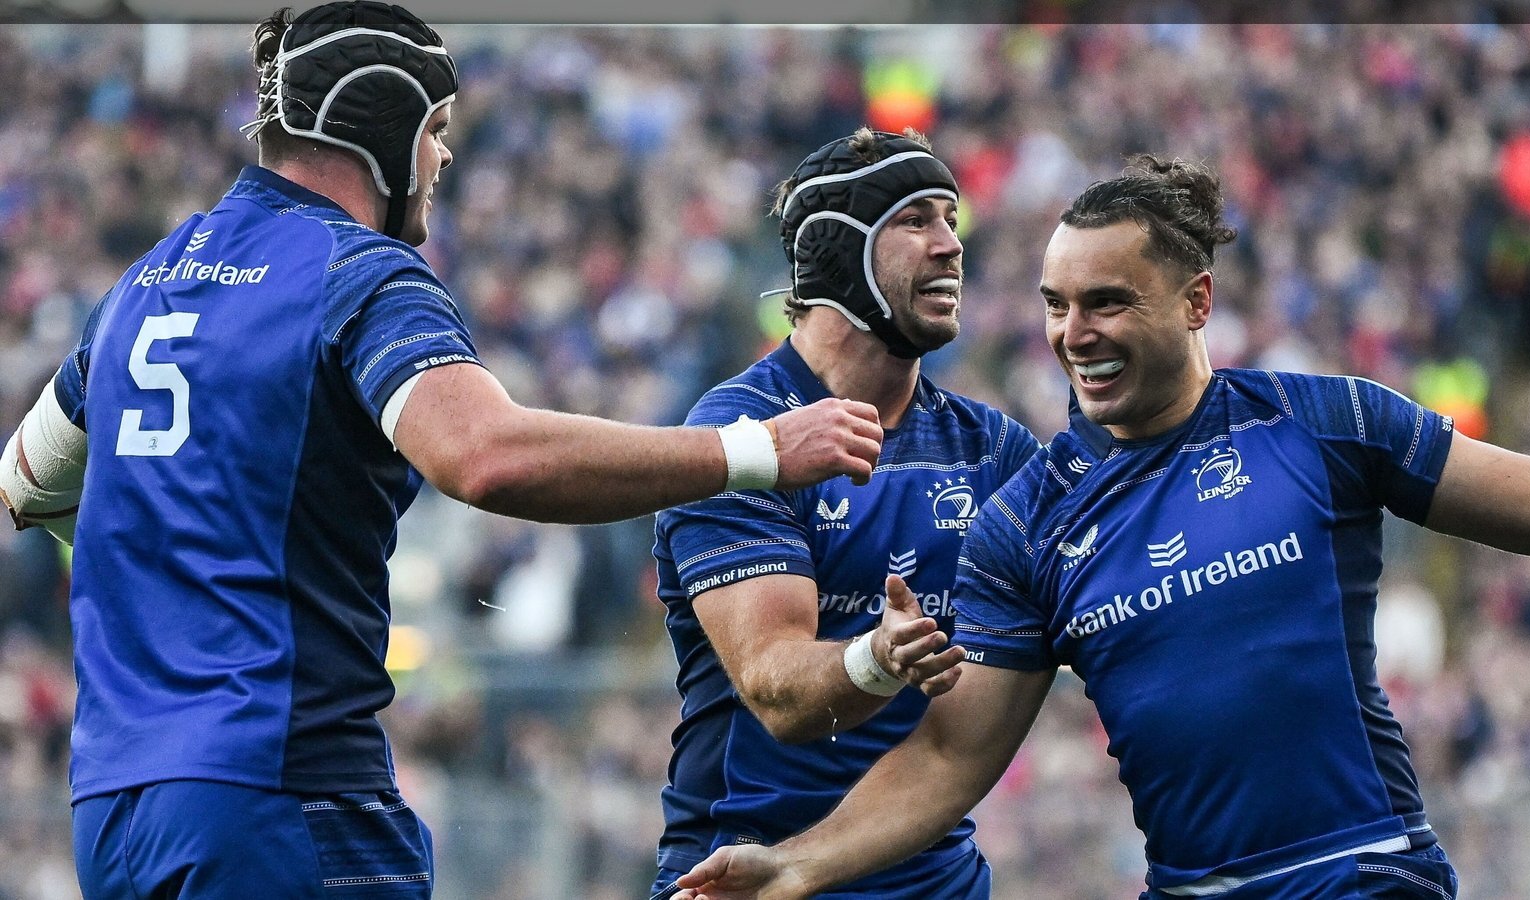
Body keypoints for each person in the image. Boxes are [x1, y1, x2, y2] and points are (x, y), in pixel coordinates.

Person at [0, 4, 883, 898]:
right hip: (279, 790)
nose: (444, 156)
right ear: (379, 131)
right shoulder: (355, 270)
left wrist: (184, 545)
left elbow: (27, 481)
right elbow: (484, 457)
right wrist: (756, 449)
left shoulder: (143, 281)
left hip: (113, 810)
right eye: (434, 129)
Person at [669, 153, 1530, 900]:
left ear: (1197, 301)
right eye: (1056, 307)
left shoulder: (1325, 422)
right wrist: (795, 868)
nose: (1075, 334)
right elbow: (950, 755)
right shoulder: (1026, 519)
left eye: (1107, 302)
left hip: (1362, 870)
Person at [648, 127, 1039, 900]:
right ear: (836, 251)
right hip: (738, 878)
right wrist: (879, 659)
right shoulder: (740, 435)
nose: (950, 245)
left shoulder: (993, 451)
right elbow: (777, 690)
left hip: (934, 883)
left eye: (951, 219)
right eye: (915, 220)